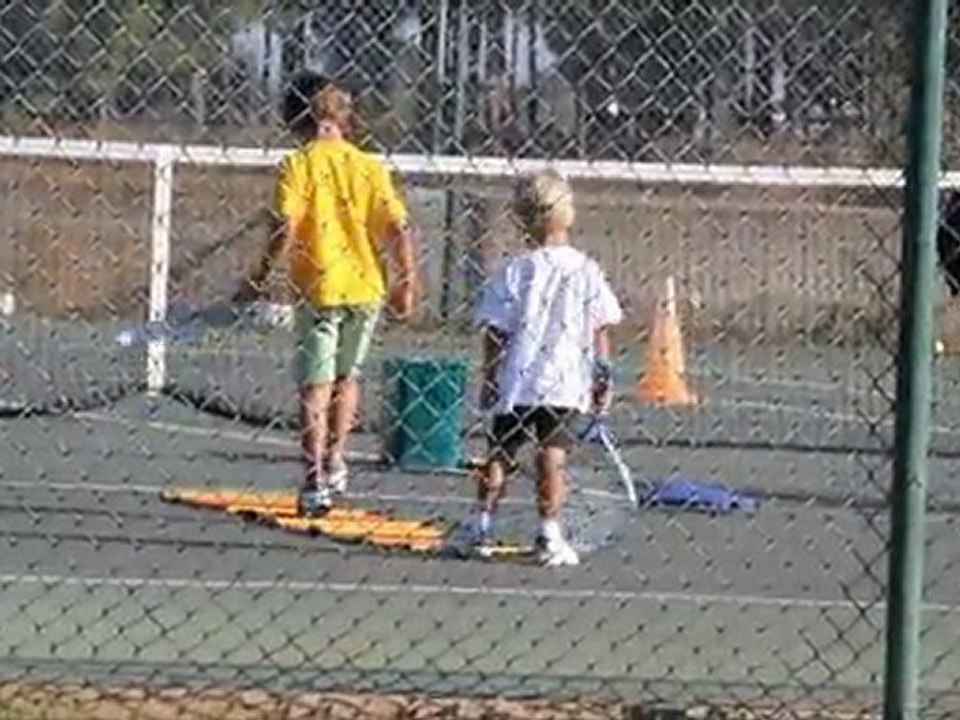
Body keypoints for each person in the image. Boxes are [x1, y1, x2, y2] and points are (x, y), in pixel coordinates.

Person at [236, 76, 417, 516]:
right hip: (365, 286)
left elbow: (286, 226)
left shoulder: (297, 165)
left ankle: (315, 474)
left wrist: (260, 274)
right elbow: (396, 227)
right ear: (342, 117)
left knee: (316, 386)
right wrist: (406, 277)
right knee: (347, 378)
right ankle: (336, 459)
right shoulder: (369, 166)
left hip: (320, 289)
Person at [470, 169, 623, 567]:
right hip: (565, 381)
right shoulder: (585, 270)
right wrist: (602, 376)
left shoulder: (515, 270)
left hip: (518, 380)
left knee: (500, 452)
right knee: (552, 455)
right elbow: (600, 329)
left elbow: (496, 331)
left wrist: (490, 376)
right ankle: (549, 532)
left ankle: (481, 525)